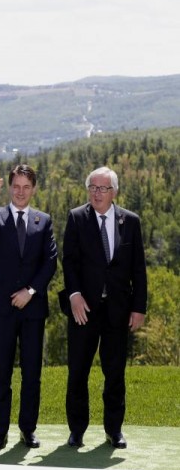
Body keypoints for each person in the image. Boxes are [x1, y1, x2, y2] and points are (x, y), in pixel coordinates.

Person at [62, 166, 146, 449]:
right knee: (77, 373)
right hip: (83, 311)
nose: (97, 193)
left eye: (103, 188)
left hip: (118, 313)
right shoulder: (76, 218)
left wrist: (139, 308)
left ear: (115, 192)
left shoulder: (130, 222)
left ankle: (114, 430)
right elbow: (69, 262)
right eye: (93, 188)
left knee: (115, 374)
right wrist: (73, 294)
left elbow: (139, 269)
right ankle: (77, 431)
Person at [0, 164, 57, 450]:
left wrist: (31, 291)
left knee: (32, 373)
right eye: (16, 186)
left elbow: (50, 263)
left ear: (33, 189)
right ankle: (0, 432)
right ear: (10, 188)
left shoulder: (43, 220)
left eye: (26, 187)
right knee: (1, 373)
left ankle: (27, 430)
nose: (21, 192)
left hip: (33, 309)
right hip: (2, 308)